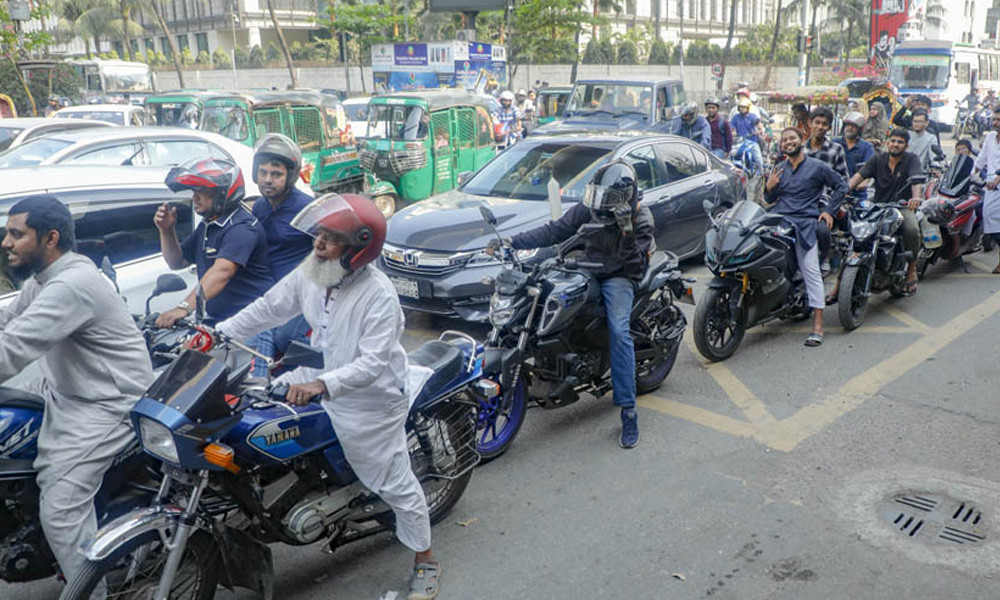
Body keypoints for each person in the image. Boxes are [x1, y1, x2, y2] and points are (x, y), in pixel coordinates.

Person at [214, 194, 443, 600]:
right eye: (319, 234)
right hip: (319, 370)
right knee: (254, 414)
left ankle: (425, 559)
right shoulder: (315, 270)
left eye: (332, 239)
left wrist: (322, 385)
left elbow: (372, 363)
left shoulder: (378, 295)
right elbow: (269, 307)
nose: (318, 244)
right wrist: (219, 333)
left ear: (358, 249)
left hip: (369, 398)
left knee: (392, 480)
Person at [0, 195, 154, 590]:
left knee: (61, 508)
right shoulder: (44, 280)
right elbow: (8, 319)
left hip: (108, 404)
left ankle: (90, 593)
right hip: (68, 389)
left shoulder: (71, 285)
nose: (6, 242)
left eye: (16, 234)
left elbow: (10, 350)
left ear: (50, 238)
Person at [486, 161, 655, 448]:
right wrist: (514, 241)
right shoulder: (591, 208)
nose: (601, 203)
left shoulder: (641, 219)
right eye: (599, 196)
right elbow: (555, 230)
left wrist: (626, 232)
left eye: (609, 198)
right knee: (545, 304)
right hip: (586, 268)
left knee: (619, 331)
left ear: (626, 198)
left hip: (619, 276)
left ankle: (629, 412)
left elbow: (636, 268)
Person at [153, 158, 274, 337]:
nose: (194, 197)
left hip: (253, 324)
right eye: (194, 191)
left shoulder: (242, 227)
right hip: (218, 321)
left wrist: (183, 308)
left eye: (201, 191)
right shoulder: (208, 225)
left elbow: (223, 271)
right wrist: (166, 230)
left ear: (223, 193)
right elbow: (177, 262)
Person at [763, 128, 847, 347]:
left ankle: (818, 325)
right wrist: (769, 187)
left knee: (811, 271)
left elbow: (841, 185)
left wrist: (829, 211)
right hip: (779, 222)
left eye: (792, 138)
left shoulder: (818, 167)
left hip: (804, 225)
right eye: (784, 140)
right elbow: (770, 198)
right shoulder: (779, 168)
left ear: (802, 140)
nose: (788, 143)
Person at [250, 134, 315, 370]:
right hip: (270, 295)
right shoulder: (260, 207)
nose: (268, 180)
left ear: (290, 176)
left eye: (276, 174)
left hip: (301, 298)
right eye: (263, 173)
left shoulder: (306, 209)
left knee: (283, 337)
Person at [838, 128, 924, 294]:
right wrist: (842, 192)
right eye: (893, 141)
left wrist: (916, 198)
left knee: (912, 229)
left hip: (901, 206)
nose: (895, 144)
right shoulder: (878, 159)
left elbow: (916, 182)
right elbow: (857, 177)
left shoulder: (911, 159)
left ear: (906, 145)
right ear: (887, 142)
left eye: (900, 142)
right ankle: (839, 285)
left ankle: (912, 269)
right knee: (854, 235)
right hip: (877, 207)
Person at [974, 106, 1000, 273]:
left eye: (998, 120)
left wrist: (997, 180)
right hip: (991, 186)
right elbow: (981, 159)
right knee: (989, 217)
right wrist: (970, 174)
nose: (995, 123)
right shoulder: (990, 137)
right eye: (994, 119)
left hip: (996, 182)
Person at [834, 111, 875, 204]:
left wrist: (861, 183)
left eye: (853, 126)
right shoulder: (834, 143)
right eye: (847, 125)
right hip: (834, 192)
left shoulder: (867, 147)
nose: (850, 128)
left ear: (860, 129)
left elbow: (868, 170)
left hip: (857, 195)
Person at [730, 98, 764, 167]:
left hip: (752, 142)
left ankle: (761, 171)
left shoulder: (752, 116)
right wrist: (733, 133)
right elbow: (732, 128)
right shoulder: (736, 117)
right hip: (740, 142)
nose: (742, 109)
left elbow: (759, 125)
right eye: (741, 107)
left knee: (759, 161)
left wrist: (759, 130)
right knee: (731, 157)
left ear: (748, 108)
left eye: (744, 107)